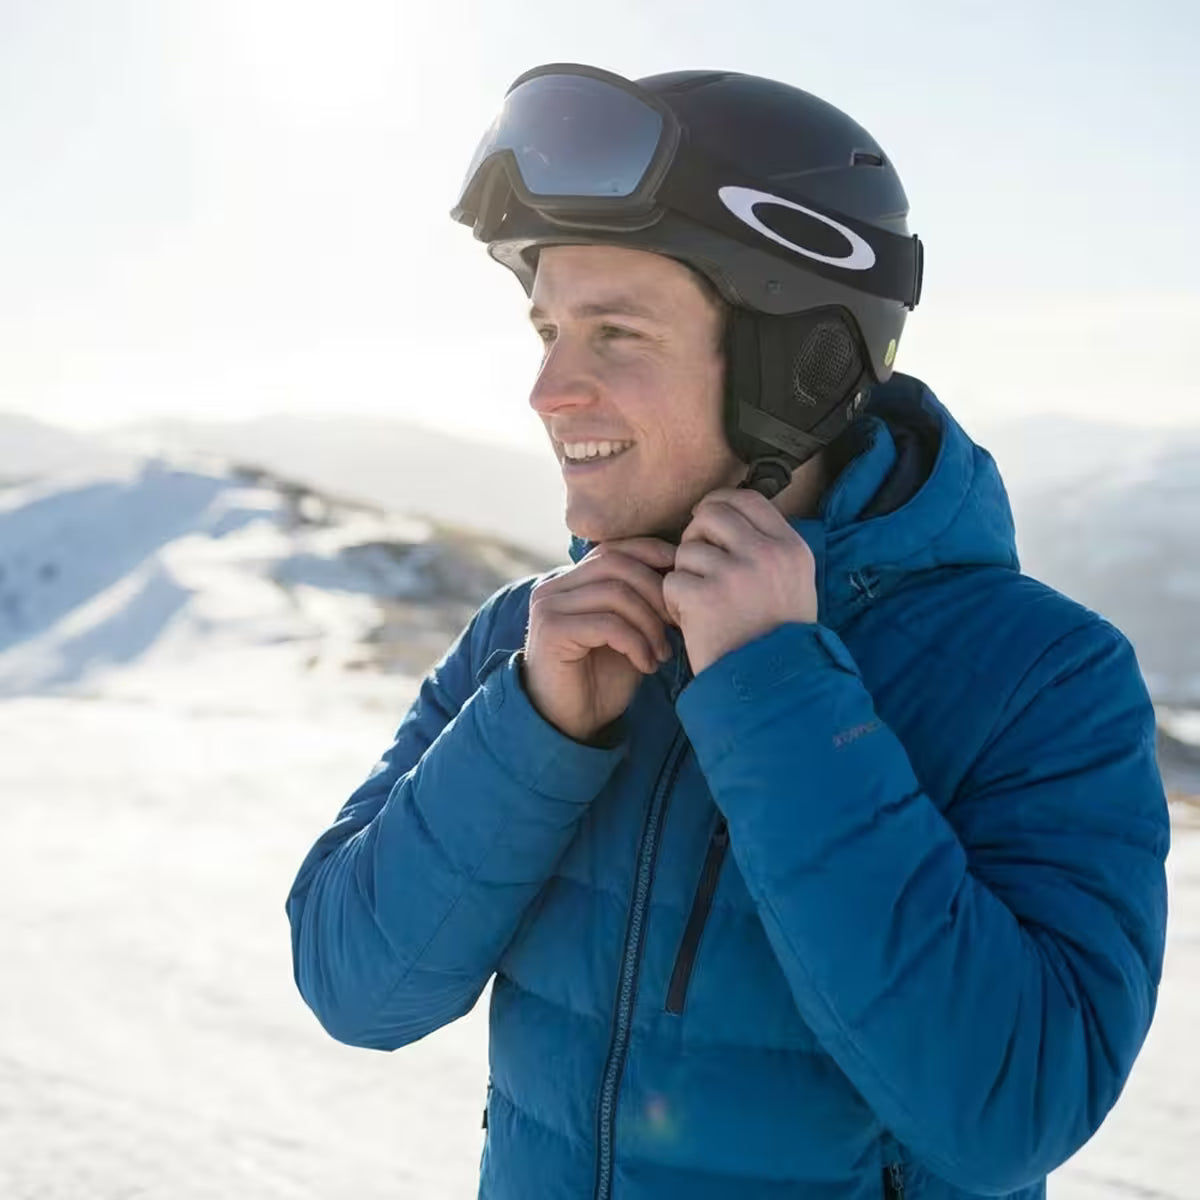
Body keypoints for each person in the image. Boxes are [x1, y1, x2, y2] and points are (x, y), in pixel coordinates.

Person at [286, 64, 1170, 1200]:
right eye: (548, 329)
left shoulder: (1046, 677)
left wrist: (776, 693)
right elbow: (356, 989)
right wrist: (532, 730)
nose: (549, 390)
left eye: (615, 335)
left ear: (794, 370)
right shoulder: (530, 641)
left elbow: (1012, 1111)